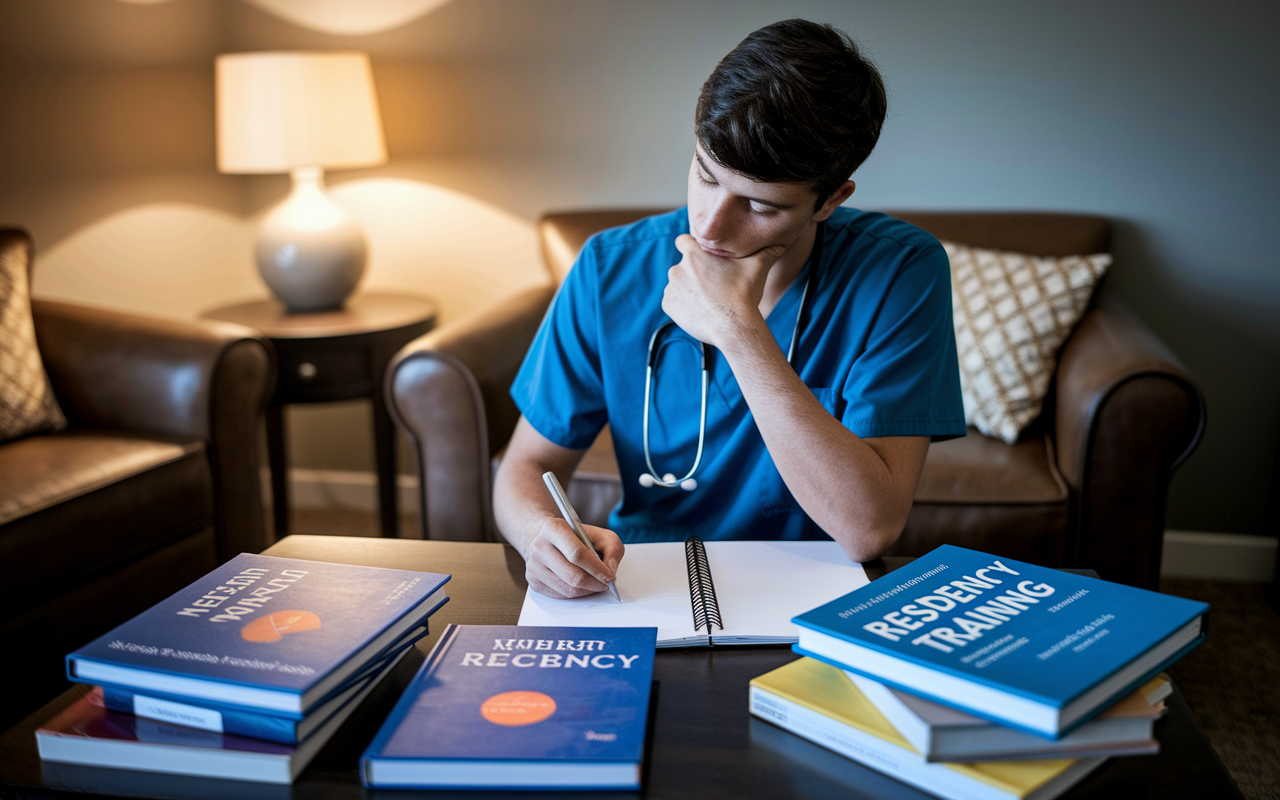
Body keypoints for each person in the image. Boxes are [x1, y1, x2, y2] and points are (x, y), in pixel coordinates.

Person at [495, 19, 966, 599]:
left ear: (831, 200)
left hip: (817, 591)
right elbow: (523, 467)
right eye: (704, 175)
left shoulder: (899, 271)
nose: (712, 225)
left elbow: (868, 530)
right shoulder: (609, 267)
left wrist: (738, 330)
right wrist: (540, 533)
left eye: (761, 206)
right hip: (646, 583)